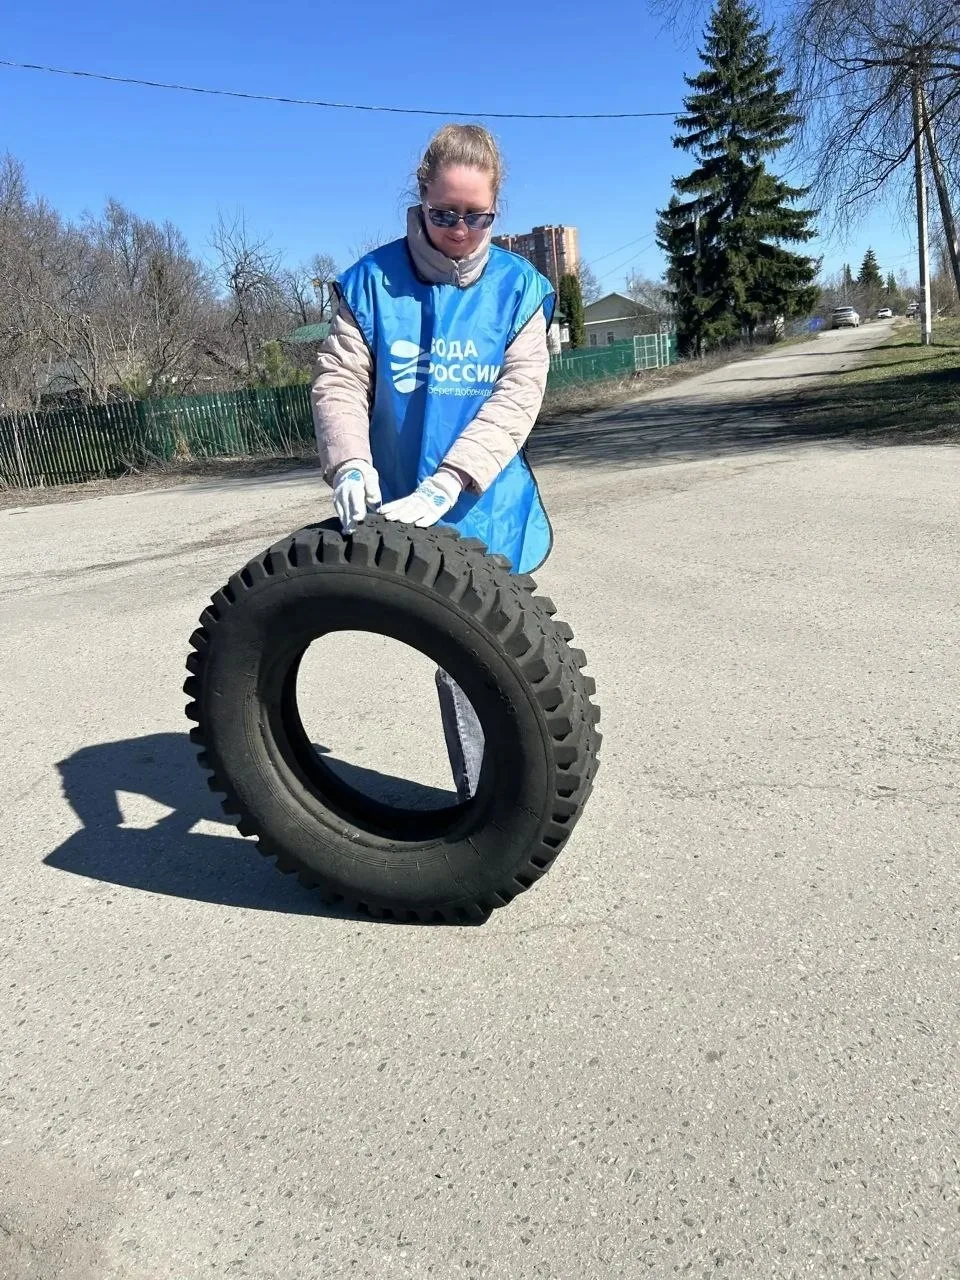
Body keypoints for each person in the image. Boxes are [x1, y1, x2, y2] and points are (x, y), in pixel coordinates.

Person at [310, 123, 556, 801]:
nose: (459, 230)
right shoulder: (370, 285)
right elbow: (339, 382)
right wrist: (350, 465)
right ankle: (489, 817)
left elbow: (517, 396)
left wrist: (453, 477)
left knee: (501, 662)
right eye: (445, 213)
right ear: (421, 198)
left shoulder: (519, 290)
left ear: (495, 210)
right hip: (400, 506)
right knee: (460, 660)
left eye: (477, 217)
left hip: (487, 503)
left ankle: (510, 811)